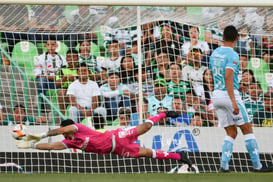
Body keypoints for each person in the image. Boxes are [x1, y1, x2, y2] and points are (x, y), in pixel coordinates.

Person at [15, 112, 192, 167]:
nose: (64, 135)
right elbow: (52, 147)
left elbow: (66, 129)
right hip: (115, 149)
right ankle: (179, 156)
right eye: (63, 134)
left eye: (63, 132)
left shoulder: (79, 128)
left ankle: (164, 113)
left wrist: (43, 133)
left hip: (117, 136)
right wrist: (32, 145)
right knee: (146, 153)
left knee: (145, 127)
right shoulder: (69, 141)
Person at [209, 25, 273, 172]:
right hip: (228, 95)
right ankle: (258, 166)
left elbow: (217, 76)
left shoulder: (215, 53)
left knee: (231, 132)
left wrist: (237, 87)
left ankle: (224, 167)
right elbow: (228, 76)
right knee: (247, 129)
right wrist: (233, 100)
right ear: (237, 38)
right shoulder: (233, 55)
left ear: (223, 38)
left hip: (216, 94)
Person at [34, 37, 67, 112]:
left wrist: (55, 77)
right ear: (45, 46)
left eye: (53, 44)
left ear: (56, 46)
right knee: (41, 81)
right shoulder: (40, 58)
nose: (51, 47)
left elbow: (64, 72)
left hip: (58, 82)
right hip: (47, 82)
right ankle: (42, 105)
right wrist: (47, 76)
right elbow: (37, 72)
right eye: (48, 45)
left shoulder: (62, 58)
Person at [55, 49, 79, 114]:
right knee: (61, 92)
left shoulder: (82, 68)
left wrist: (75, 80)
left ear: (78, 58)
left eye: (74, 57)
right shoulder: (61, 69)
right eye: (69, 57)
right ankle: (64, 116)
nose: (71, 59)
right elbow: (57, 84)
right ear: (66, 59)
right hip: (67, 90)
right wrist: (64, 78)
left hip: (81, 90)